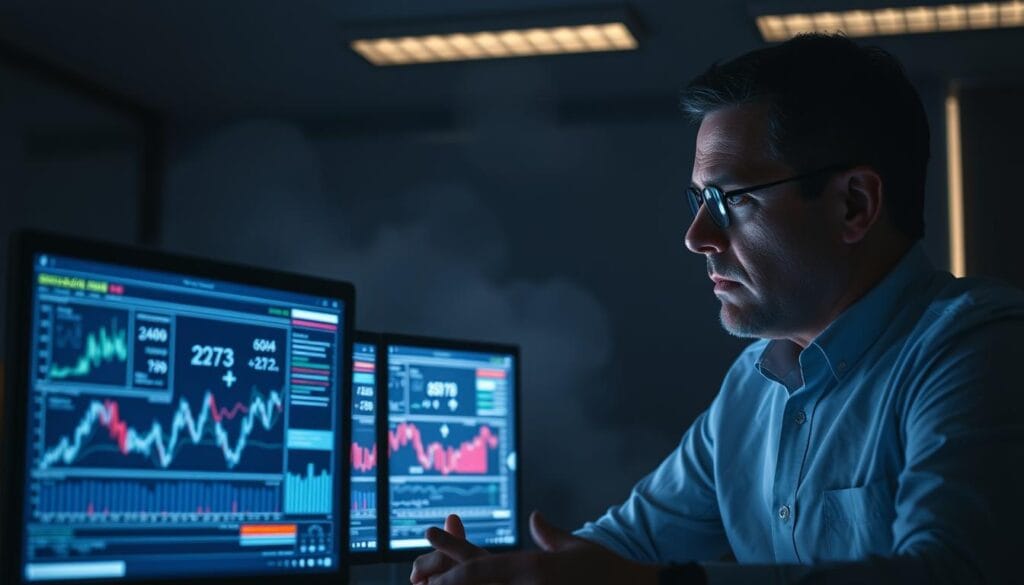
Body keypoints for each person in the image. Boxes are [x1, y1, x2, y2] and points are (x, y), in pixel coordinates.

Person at [409, 33, 1024, 585]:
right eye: (700, 198)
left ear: (853, 205)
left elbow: (948, 573)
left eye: (730, 198)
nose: (697, 234)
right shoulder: (753, 387)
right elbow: (627, 546)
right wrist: (509, 575)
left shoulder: (977, 349)